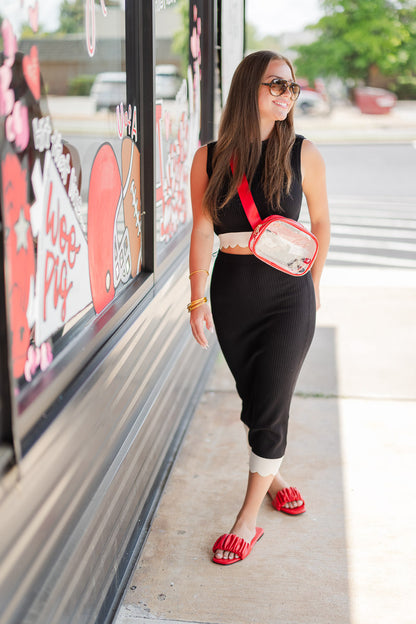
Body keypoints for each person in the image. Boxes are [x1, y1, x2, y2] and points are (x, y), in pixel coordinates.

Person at [188, 50, 330, 565]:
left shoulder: (304, 153)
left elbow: (322, 224)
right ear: (248, 87)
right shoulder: (208, 158)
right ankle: (275, 476)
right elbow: (203, 229)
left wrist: (313, 285)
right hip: (232, 296)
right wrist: (197, 297)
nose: (286, 95)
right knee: (257, 401)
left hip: (288, 298)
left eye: (291, 88)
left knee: (271, 403)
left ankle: (246, 521)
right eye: (276, 84)